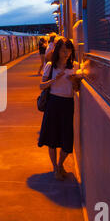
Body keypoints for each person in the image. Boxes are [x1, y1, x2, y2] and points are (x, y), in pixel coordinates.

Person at [38, 38, 81, 181]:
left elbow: (76, 88)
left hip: (68, 104)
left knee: (67, 141)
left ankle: (60, 164)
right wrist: (53, 80)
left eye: (68, 50)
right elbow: (41, 86)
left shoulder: (74, 66)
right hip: (53, 103)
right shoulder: (50, 66)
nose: (66, 53)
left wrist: (74, 80)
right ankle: (55, 168)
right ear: (58, 51)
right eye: (63, 50)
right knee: (52, 139)